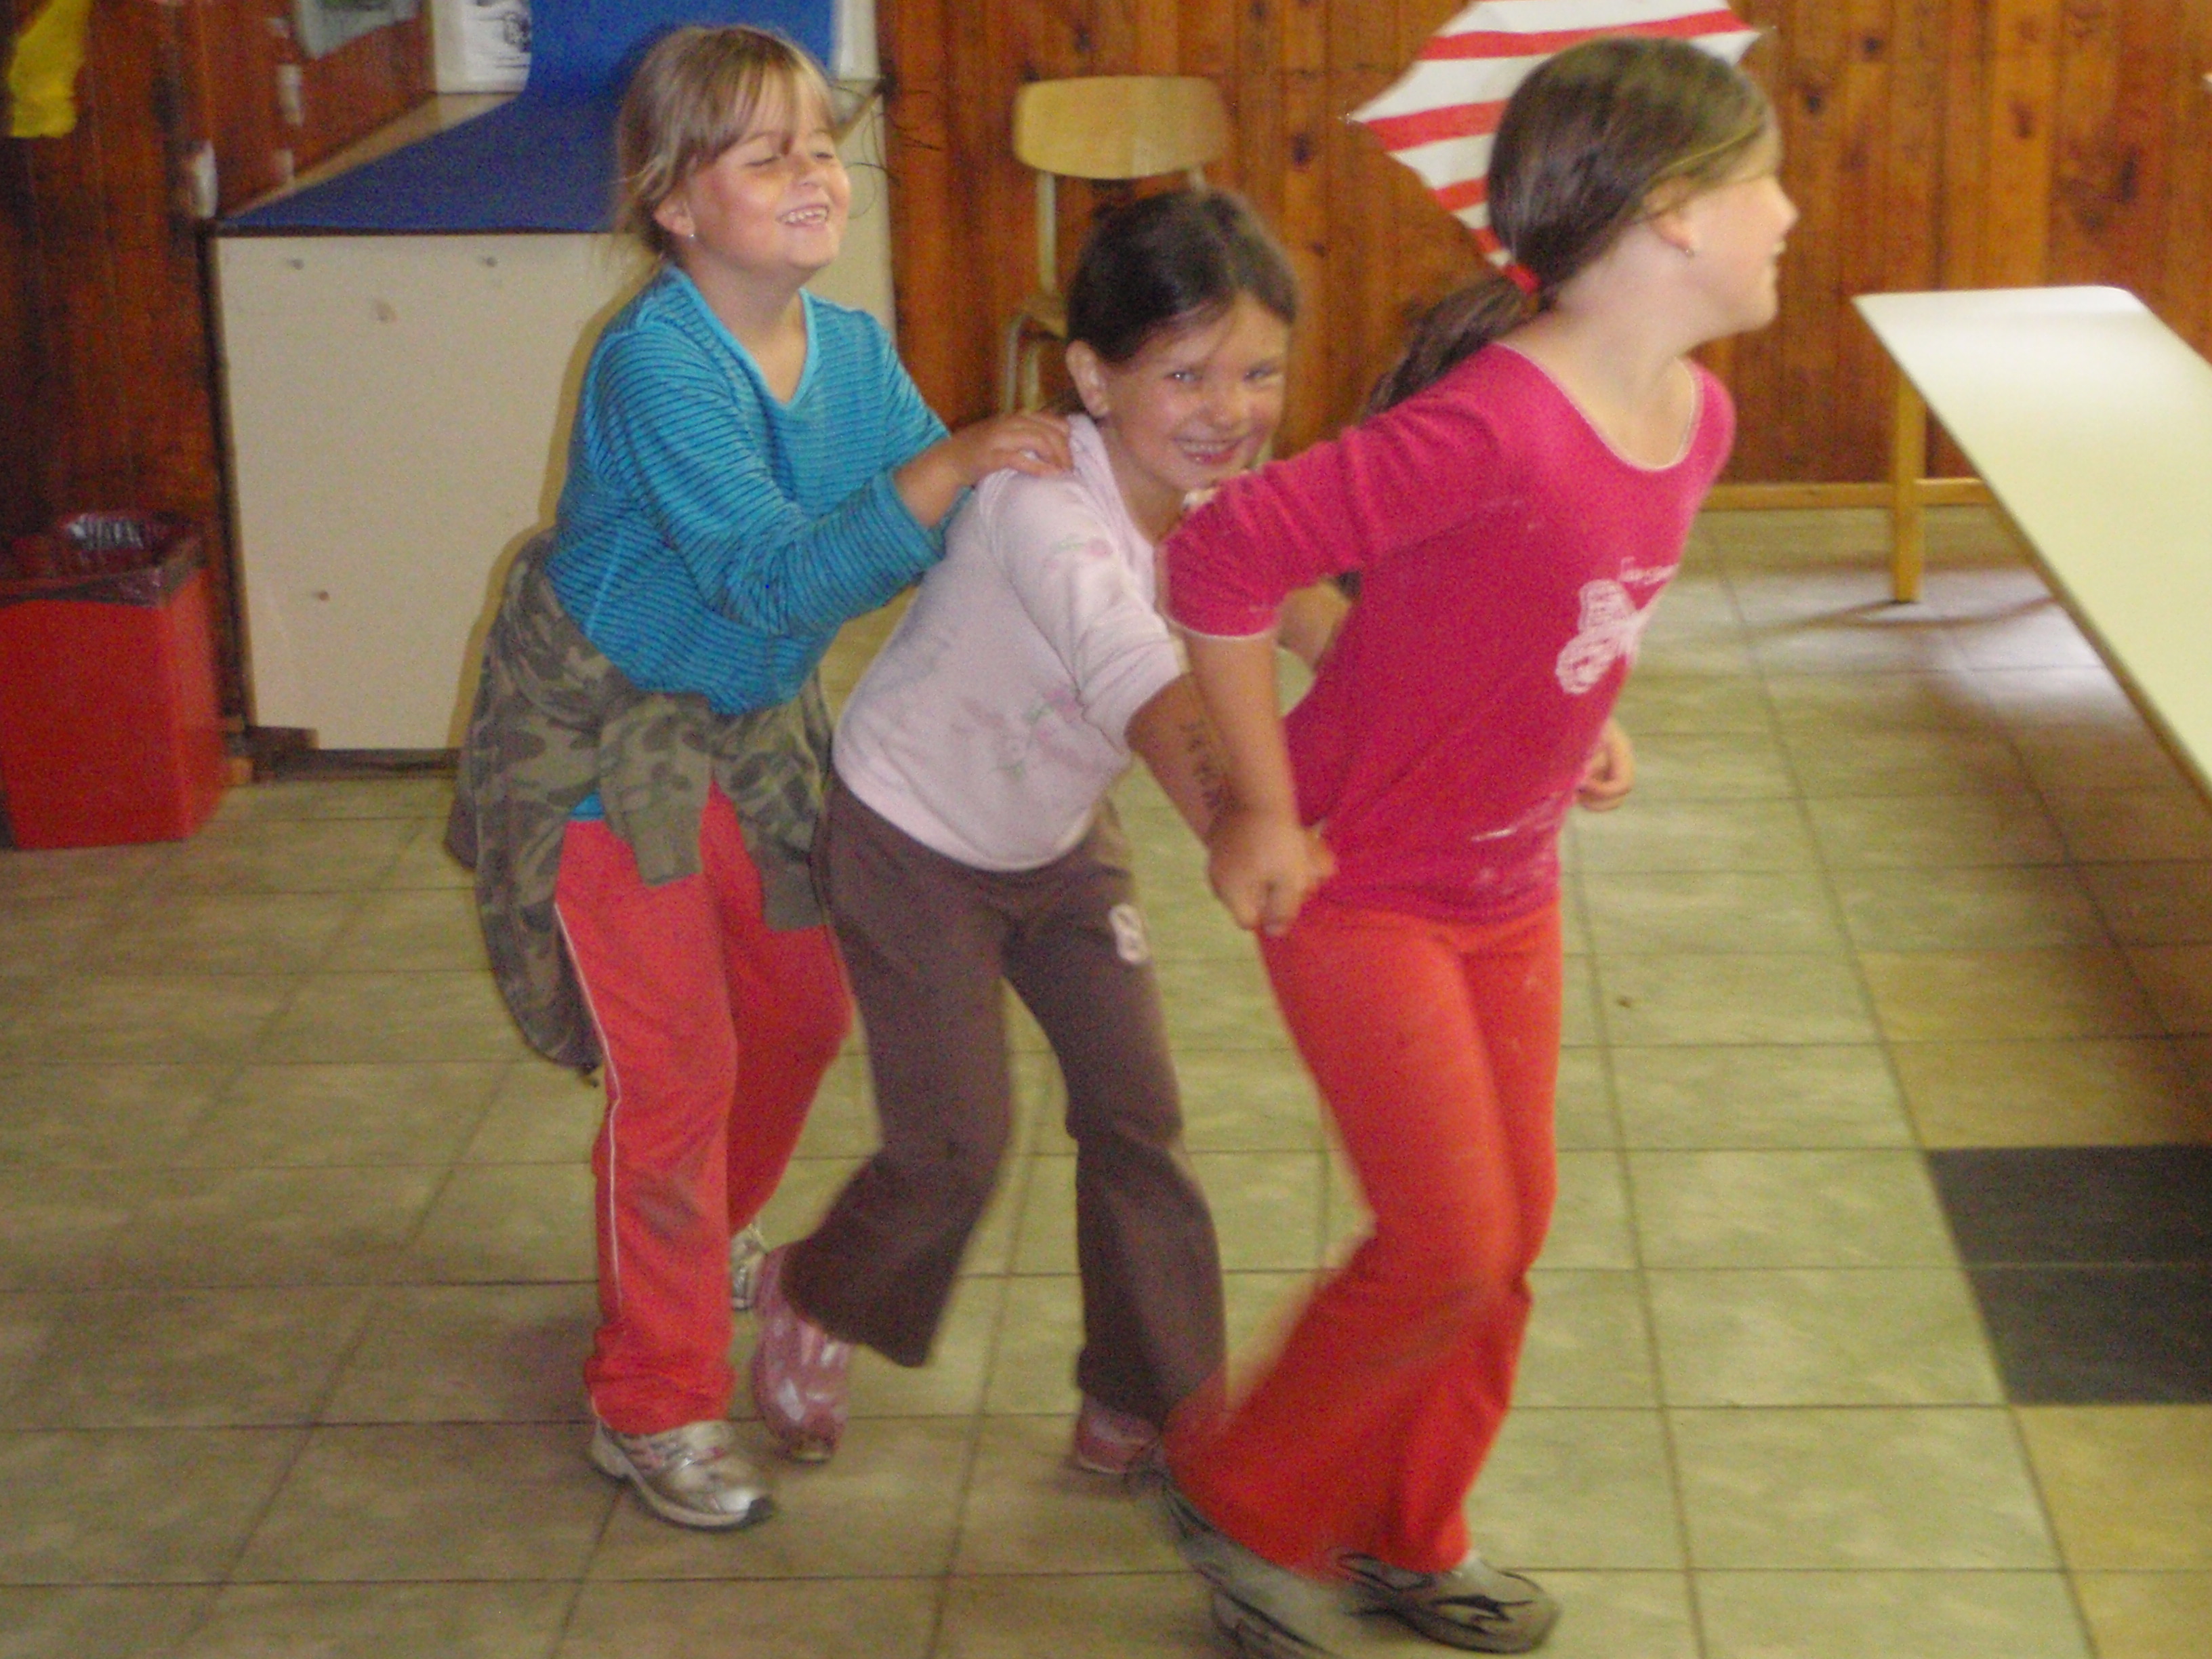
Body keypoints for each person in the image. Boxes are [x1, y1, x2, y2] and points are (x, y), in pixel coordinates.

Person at [1151, 37, 1797, 1657]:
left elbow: (1554, 603)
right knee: (1446, 1240)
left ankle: (1404, 1528)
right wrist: (1261, 810)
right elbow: (1224, 558)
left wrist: (1584, 717)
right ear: (1669, 216)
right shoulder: (1496, 422)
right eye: (1762, 182)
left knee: (1506, 1241)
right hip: (1359, 885)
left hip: (1508, 887)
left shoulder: (1697, 417)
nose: (1789, 213)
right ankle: (1244, 1497)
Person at [447, 23, 1068, 1534]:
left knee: (798, 1009)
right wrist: (951, 468)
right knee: (677, 1075)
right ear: (674, 201)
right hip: (600, 749)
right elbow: (767, 576)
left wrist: (1086, 549)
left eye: (821, 143)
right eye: (766, 152)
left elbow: (953, 521)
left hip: (753, 733)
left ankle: (692, 1237)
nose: (814, 173)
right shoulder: (657, 362)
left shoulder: (849, 350)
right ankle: (651, 1399)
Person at [745, 189, 1343, 1477]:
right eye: (1184, 374)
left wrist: (1445, 715)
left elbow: (1314, 615)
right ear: (1091, 376)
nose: (1228, 410)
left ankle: (1149, 1394)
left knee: (1139, 1115)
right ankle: (814, 1290)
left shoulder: (1229, 498)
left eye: (1259, 372)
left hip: (1059, 843)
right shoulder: (1041, 505)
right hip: (909, 840)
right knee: (954, 1146)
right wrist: (1243, 830)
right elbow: (1145, 686)